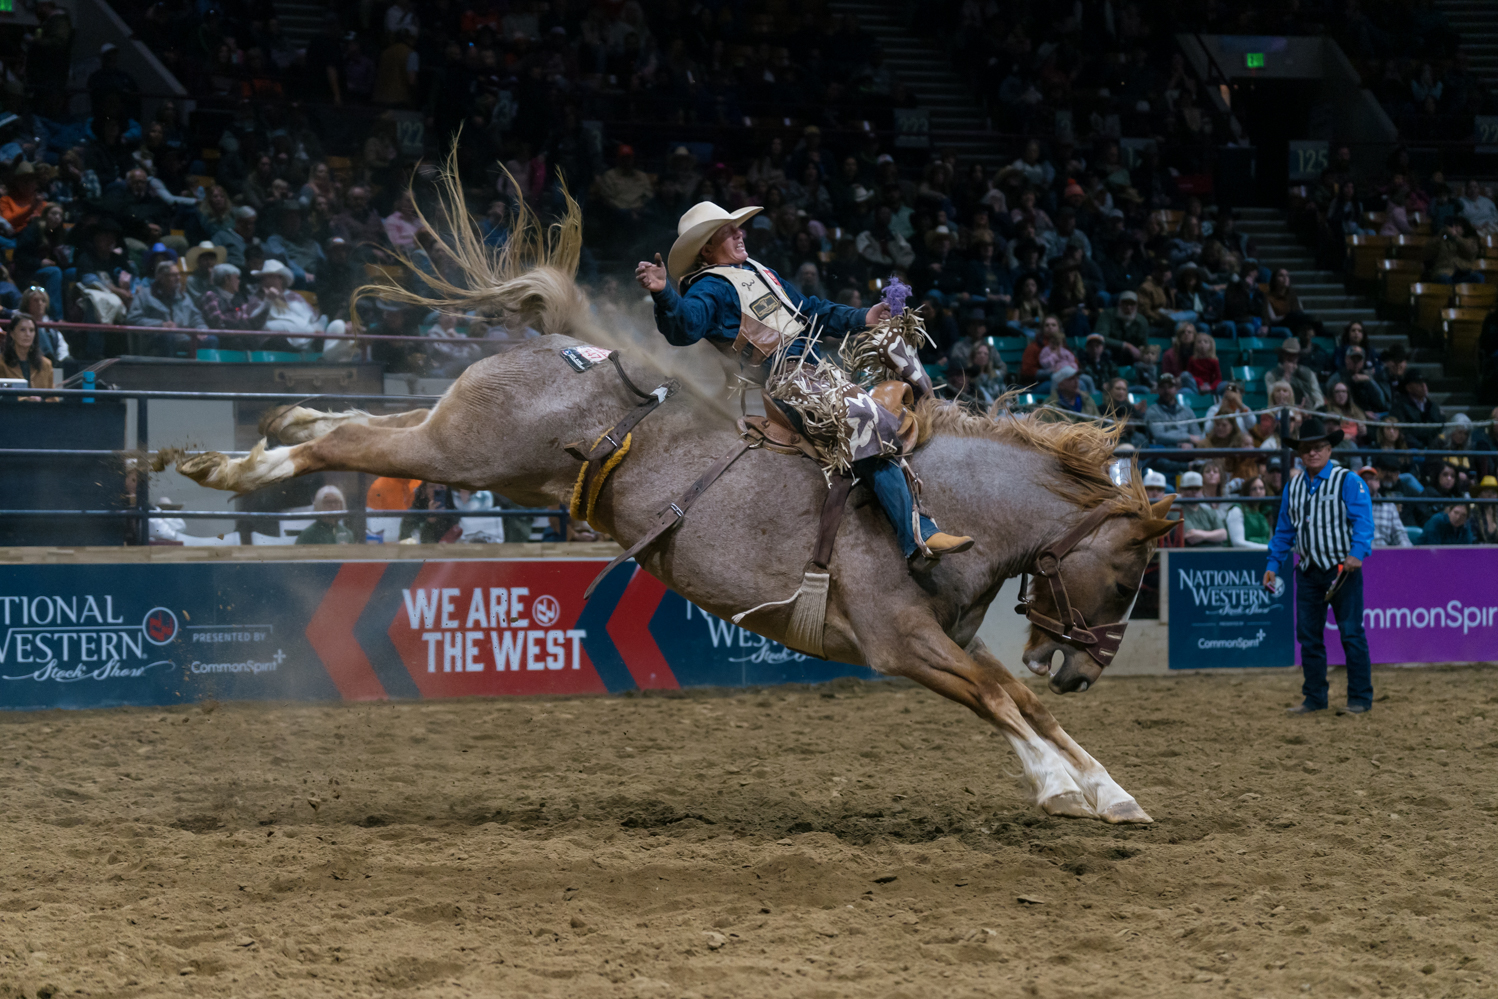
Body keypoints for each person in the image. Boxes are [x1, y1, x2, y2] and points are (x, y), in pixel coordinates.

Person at [635, 200, 972, 564]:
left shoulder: (758, 272)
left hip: (818, 373)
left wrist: (863, 316)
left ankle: (936, 415)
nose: (740, 233)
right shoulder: (710, 288)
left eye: (737, 228)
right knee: (863, 417)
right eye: (729, 232)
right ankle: (915, 534)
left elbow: (810, 311)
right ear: (707, 249)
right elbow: (685, 325)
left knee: (896, 347)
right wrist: (663, 293)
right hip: (784, 383)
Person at [1264, 415, 1375, 715]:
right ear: (1300, 454)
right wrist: (1273, 563)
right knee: (1309, 637)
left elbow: (1363, 522)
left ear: (1329, 449)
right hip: (1310, 569)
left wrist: (1358, 552)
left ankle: (1360, 698)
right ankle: (1315, 697)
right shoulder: (1293, 487)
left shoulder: (1348, 480)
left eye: (1319, 447)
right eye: (1307, 449)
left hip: (1343, 569)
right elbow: (1284, 531)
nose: (1313, 453)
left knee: (1351, 633)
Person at [1358, 465, 1411, 547]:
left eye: (1371, 478)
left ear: (1378, 483)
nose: (1367, 482)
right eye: (1363, 479)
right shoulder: (1346, 507)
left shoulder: (1389, 507)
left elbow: (1400, 535)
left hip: (1381, 555)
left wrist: (1408, 554)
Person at [1145, 373, 1202, 448]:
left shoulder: (1186, 410)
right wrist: (1187, 438)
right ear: (1158, 390)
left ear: (1176, 389)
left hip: (1188, 449)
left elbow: (1197, 436)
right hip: (1164, 452)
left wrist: (1189, 445)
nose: (1167, 390)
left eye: (1170, 387)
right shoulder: (1153, 411)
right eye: (1163, 387)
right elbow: (1159, 436)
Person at [1388, 372, 1444, 447]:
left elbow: (1439, 427)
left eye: (1424, 382)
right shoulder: (1400, 406)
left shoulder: (1432, 406)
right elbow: (1404, 430)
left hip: (1431, 446)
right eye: (1418, 383)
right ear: (1408, 387)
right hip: (1410, 447)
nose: (1423, 386)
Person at [0, 315, 52, 390]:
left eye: (31, 330)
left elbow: (53, 398)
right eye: (22, 330)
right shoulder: (1, 363)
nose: (28, 334)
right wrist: (24, 399)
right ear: (12, 334)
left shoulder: (46, 364)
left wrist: (40, 400)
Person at [1178, 470, 1227, 546]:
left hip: (1216, 552)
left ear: (1202, 490)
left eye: (1197, 488)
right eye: (1190, 488)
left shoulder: (1208, 510)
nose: (1194, 492)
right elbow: (1191, 537)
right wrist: (1214, 535)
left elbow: (1223, 534)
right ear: (1181, 490)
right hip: (1192, 554)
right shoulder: (1177, 510)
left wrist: (1202, 535)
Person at [1226, 475, 1272, 550]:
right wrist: (1267, 548)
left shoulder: (1265, 511)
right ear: (1247, 491)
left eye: (1261, 488)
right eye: (1254, 489)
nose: (1258, 491)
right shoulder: (1237, 510)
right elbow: (1238, 543)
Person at [1471, 476, 1498, 544]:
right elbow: (1473, 538)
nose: (1490, 495)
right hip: (1479, 552)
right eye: (1486, 491)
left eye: (1493, 492)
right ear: (1480, 494)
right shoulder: (1473, 513)